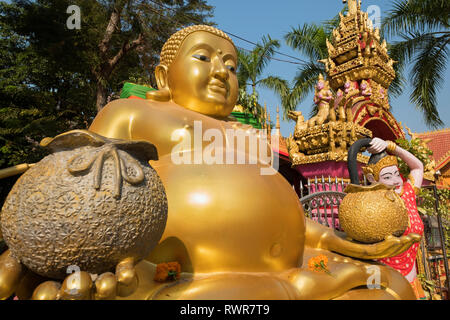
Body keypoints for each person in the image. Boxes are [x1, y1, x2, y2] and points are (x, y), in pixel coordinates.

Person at [0, 25, 420, 300]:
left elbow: (288, 212)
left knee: (392, 286)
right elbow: (78, 189)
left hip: (296, 269)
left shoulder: (251, 135)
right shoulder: (134, 113)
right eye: (203, 58)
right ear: (164, 78)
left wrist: (342, 242)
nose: (221, 72)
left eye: (232, 66)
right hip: (181, 276)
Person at [365, 137, 426, 299]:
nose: (395, 181)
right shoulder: (373, 203)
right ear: (372, 179)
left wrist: (391, 146)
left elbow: (418, 167)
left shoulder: (408, 193)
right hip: (386, 284)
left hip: (412, 280)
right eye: (387, 177)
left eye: (396, 174)